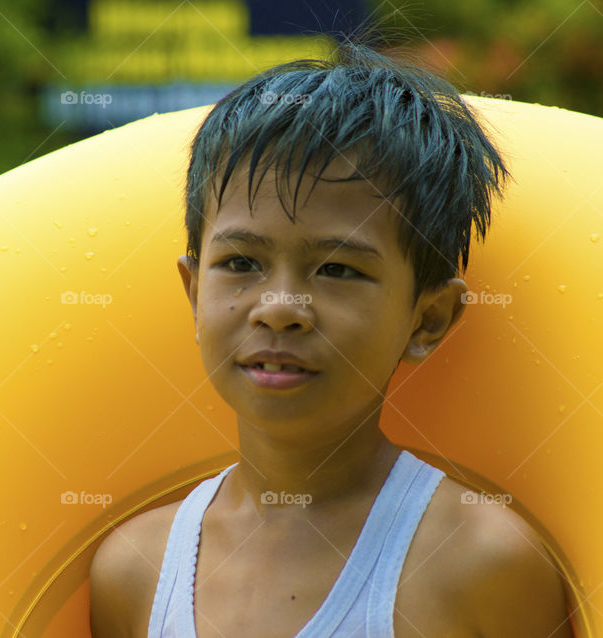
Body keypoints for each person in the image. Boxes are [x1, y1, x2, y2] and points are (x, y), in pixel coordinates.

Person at [90, 36, 576, 638]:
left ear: (428, 319)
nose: (279, 309)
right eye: (241, 263)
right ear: (193, 295)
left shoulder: (477, 564)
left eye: (339, 270)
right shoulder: (134, 569)